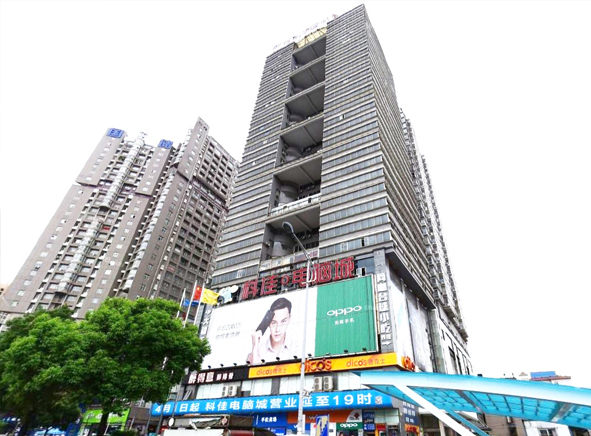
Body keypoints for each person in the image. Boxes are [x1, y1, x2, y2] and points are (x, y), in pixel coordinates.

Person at [247, 297, 296, 364]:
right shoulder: (257, 351)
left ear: (289, 318)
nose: (277, 329)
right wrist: (255, 346)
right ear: (268, 323)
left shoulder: (297, 348)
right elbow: (253, 369)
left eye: (283, 321)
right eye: (274, 323)